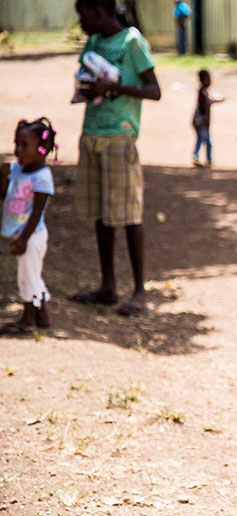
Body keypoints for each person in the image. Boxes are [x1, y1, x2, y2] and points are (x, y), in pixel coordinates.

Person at [68, 0, 161, 316]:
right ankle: (108, 286)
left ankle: (138, 292)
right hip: (92, 132)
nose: (80, 22)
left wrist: (115, 86)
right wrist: (88, 88)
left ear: (99, 11)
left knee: (128, 215)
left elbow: (154, 90)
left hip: (120, 137)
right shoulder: (94, 43)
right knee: (102, 215)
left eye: (83, 15)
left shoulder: (132, 41)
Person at [0, 119, 58, 336]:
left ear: (42, 150)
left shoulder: (42, 177)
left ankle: (28, 320)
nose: (18, 150)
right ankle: (41, 314)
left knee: (27, 277)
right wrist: (3, 178)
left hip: (32, 236)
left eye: (24, 145)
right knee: (33, 274)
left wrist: (24, 239)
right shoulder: (16, 169)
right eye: (16, 143)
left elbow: (36, 213)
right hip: (21, 234)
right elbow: (5, 197)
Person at [192, 69, 224, 167]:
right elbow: (204, 105)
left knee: (201, 140)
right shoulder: (202, 92)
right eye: (208, 79)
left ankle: (201, 157)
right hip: (202, 123)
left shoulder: (203, 92)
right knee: (206, 141)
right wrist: (215, 101)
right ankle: (202, 158)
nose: (210, 81)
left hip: (201, 122)